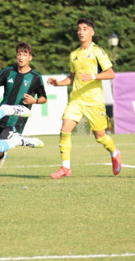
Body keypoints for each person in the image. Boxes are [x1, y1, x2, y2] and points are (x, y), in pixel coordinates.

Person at [47, 18, 121, 179]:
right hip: (77, 100)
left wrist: (93, 76)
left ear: (92, 32)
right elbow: (72, 78)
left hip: (94, 101)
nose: (81, 31)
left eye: (85, 29)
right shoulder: (74, 54)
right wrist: (59, 83)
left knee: (100, 136)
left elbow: (111, 73)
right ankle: (65, 167)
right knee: (64, 129)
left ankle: (115, 153)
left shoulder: (98, 52)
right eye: (79, 29)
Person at [0, 42, 47, 180]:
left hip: (15, 121)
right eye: (19, 54)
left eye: (24, 54)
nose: (21, 57)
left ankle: (2, 154)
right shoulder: (8, 72)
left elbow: (44, 98)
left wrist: (34, 101)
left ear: (30, 57)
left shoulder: (35, 77)